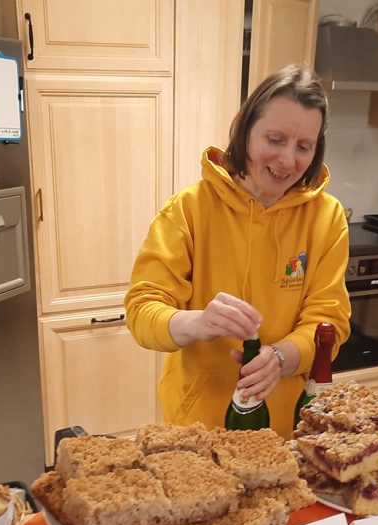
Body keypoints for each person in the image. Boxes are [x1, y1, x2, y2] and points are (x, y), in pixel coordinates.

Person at [125, 65, 351, 433]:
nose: (287, 160)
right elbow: (142, 310)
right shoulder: (189, 209)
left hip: (284, 426)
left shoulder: (327, 217)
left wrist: (280, 357)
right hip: (196, 426)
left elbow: (329, 322)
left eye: (303, 147)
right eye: (275, 139)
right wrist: (197, 322)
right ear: (245, 131)